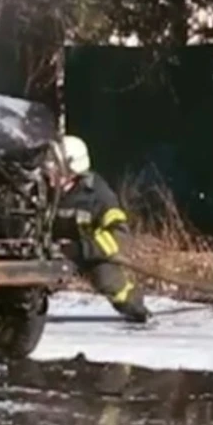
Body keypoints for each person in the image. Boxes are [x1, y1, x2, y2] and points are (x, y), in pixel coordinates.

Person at [53, 135, 151, 324]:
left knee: (107, 280)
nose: (48, 169)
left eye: (55, 164)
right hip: (48, 252)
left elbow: (119, 236)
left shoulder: (97, 195)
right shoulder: (42, 191)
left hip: (87, 255)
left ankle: (135, 308)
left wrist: (81, 249)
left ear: (71, 169)